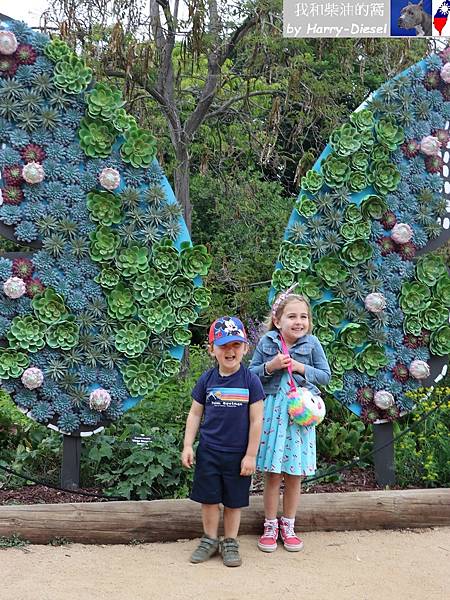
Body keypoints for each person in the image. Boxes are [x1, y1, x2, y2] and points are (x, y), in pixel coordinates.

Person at [249, 290, 331, 553]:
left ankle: (289, 525)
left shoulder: (313, 344)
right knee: (273, 473)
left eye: (304, 316)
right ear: (277, 320)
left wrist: (300, 367)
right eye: (292, 316)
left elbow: (325, 376)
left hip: (300, 416)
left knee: (294, 473)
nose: (299, 322)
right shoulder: (266, 343)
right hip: (274, 413)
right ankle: (270, 525)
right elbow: (251, 375)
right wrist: (270, 366)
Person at [181, 316, 265, 567]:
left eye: (236, 345)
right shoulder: (207, 380)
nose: (230, 351)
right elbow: (195, 413)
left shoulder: (251, 381)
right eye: (224, 345)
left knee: (233, 501)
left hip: (238, 454)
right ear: (212, 349)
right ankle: (209, 539)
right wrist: (188, 445)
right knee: (208, 499)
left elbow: (257, 420)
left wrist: (250, 455)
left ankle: (230, 541)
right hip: (209, 451)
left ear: (245, 348)